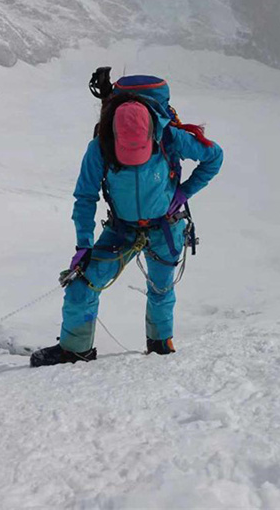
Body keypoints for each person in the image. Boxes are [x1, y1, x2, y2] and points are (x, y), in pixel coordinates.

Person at [30, 76, 223, 367]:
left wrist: (184, 193)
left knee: (157, 289)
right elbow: (85, 197)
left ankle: (159, 346)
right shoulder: (102, 147)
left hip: (160, 227)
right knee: (91, 285)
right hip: (130, 228)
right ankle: (78, 349)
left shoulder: (168, 137)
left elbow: (214, 157)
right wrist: (83, 245)